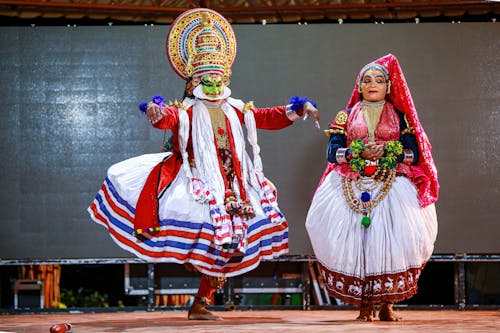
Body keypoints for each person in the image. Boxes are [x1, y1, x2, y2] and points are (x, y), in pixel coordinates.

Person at [88, 8, 319, 320]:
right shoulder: (186, 110)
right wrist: (156, 114)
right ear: (194, 81)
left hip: (235, 184)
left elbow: (266, 117)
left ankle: (199, 302)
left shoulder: (237, 109)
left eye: (217, 81)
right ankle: (193, 273)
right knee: (207, 240)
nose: (212, 87)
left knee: (230, 244)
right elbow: (168, 117)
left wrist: (298, 108)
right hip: (197, 182)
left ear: (225, 79)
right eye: (205, 82)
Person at [305, 54, 438, 321]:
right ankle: (364, 307)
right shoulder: (346, 115)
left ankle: (387, 305)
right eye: (367, 80)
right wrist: (356, 152)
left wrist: (388, 150)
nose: (373, 84)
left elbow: (413, 153)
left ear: (388, 87)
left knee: (395, 243)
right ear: (360, 86)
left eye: (379, 80)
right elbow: (332, 153)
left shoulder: (400, 115)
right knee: (359, 244)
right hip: (352, 182)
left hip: (392, 184)